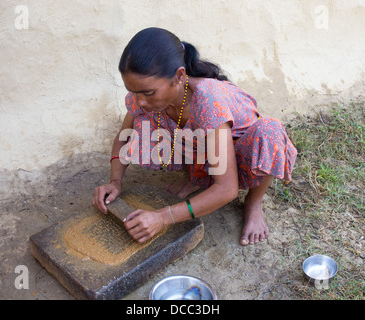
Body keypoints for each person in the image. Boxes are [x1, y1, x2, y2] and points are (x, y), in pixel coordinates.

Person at [92, 27, 297, 246]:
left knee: (269, 132)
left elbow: (227, 189)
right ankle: (199, 178)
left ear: (179, 76)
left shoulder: (208, 100)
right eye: (133, 91)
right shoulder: (144, 97)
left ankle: (253, 203)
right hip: (210, 151)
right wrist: (115, 181)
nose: (139, 100)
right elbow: (124, 137)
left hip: (237, 153)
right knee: (145, 120)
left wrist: (163, 217)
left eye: (147, 93)